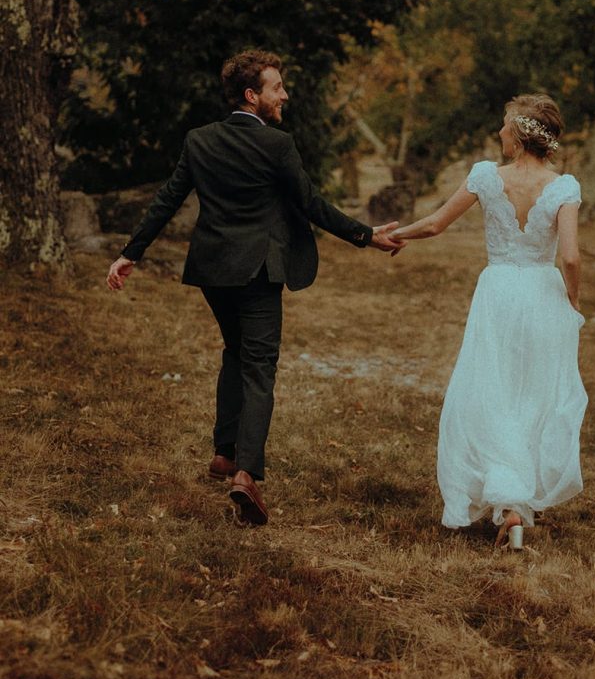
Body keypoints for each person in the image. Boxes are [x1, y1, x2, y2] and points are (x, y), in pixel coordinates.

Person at [106, 49, 403, 526]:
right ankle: (247, 474)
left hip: (212, 272)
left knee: (234, 351)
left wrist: (130, 253)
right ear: (252, 95)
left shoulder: (199, 140)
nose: (284, 95)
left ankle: (225, 452)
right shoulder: (277, 146)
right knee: (260, 367)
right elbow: (310, 203)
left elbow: (167, 199)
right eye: (276, 88)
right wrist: (368, 236)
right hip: (258, 272)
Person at [392, 93, 587, 550]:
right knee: (532, 395)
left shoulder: (485, 177)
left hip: (497, 292)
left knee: (493, 392)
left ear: (519, 135)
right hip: (541, 293)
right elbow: (572, 256)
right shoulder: (564, 187)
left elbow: (436, 224)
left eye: (504, 125)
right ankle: (515, 507)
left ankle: (509, 503)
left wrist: (391, 235)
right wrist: (572, 302)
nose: (499, 133)